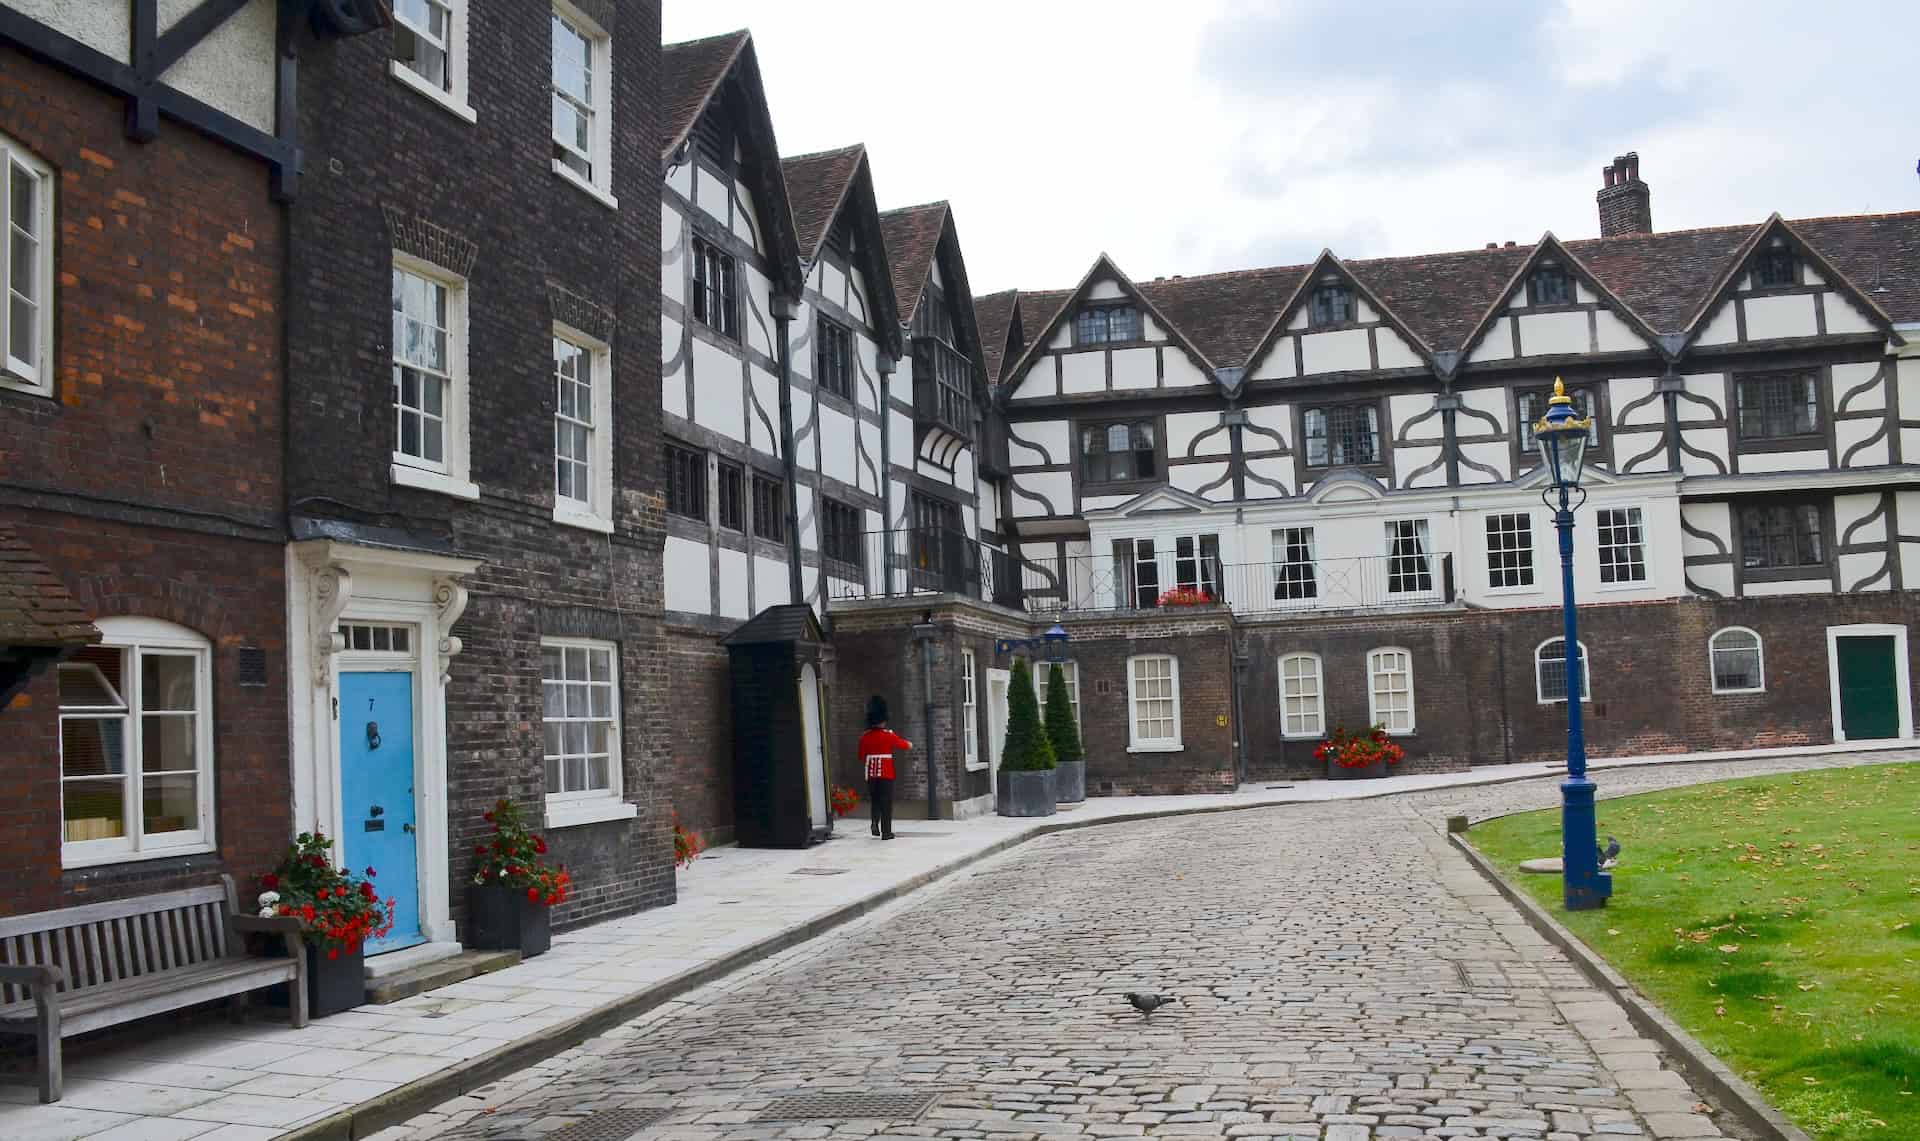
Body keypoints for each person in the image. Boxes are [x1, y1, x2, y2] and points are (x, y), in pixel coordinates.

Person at [857, 695, 912, 840]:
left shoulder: (864, 737)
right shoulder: (888, 735)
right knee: (886, 802)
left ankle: (874, 823)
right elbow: (904, 745)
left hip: (870, 774)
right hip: (886, 774)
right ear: (883, 719)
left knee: (875, 800)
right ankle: (886, 832)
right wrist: (908, 743)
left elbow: (861, 756)